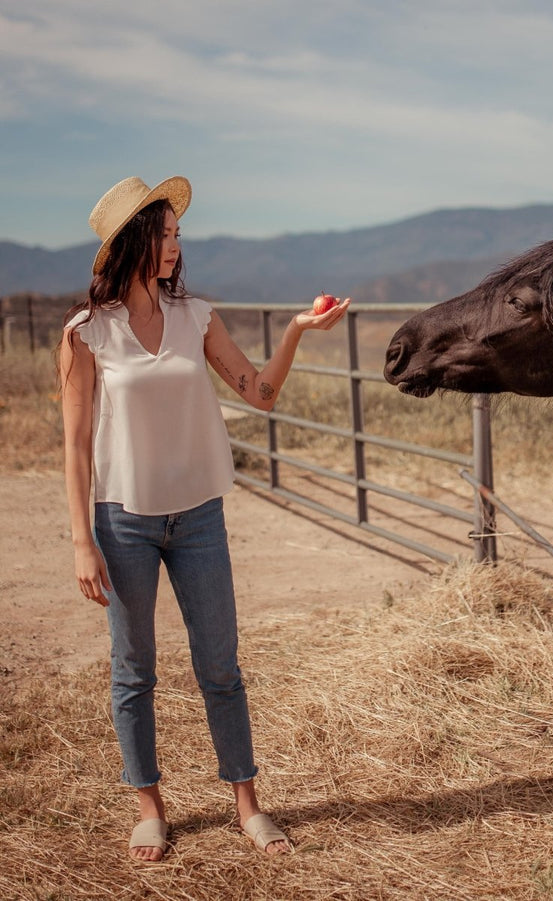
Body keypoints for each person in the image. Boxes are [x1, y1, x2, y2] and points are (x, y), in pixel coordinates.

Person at [60, 175, 349, 863]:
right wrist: (81, 540)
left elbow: (261, 392)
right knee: (134, 669)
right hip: (121, 520)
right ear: (134, 241)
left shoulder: (197, 317)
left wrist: (297, 331)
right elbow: (74, 445)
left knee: (220, 665)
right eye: (164, 234)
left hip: (198, 517)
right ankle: (150, 808)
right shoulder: (85, 333)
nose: (175, 245)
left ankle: (247, 803)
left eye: (176, 235)